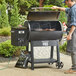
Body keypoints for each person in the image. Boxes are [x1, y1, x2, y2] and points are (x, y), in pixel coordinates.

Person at [51, 0, 76, 74]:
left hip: (74, 31)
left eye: (65, 2)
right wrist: (56, 7)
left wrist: (70, 34)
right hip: (73, 30)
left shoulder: (74, 9)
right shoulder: (72, 8)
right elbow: (65, 9)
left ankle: (74, 68)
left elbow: (74, 24)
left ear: (69, 1)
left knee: (73, 50)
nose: (65, 4)